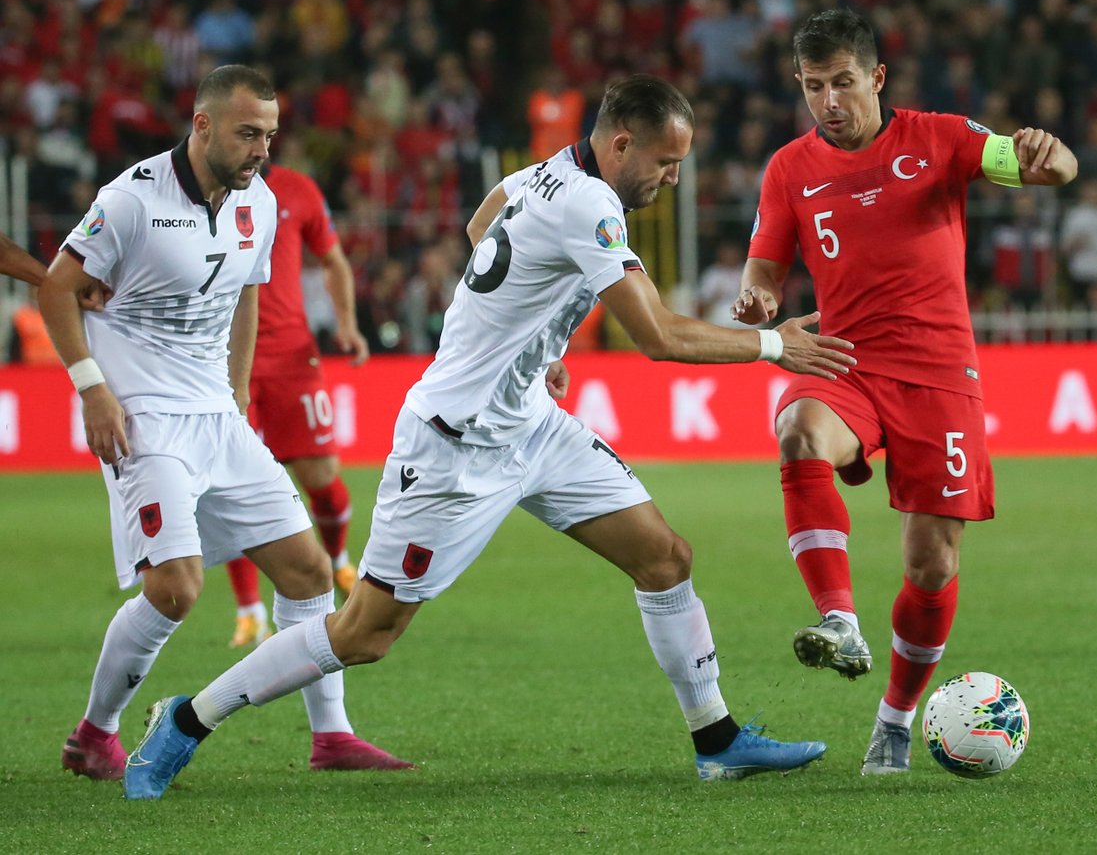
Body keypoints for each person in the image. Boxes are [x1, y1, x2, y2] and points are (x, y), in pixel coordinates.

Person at [122, 74, 858, 800]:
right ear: (622, 144)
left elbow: (484, 225)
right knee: (364, 633)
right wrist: (774, 347)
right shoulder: (588, 202)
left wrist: (537, 340)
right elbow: (658, 336)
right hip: (455, 446)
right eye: (665, 162)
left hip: (532, 426)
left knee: (665, 558)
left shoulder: (543, 173)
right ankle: (186, 719)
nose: (671, 178)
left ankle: (717, 741)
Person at [40, 64, 410, 784]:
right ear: (202, 125)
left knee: (308, 569)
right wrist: (92, 390)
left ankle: (332, 735)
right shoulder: (132, 199)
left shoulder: (260, 203)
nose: (261, 150)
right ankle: (95, 734)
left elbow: (247, 294)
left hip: (217, 413)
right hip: (144, 416)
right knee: (176, 588)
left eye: (269, 135)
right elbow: (57, 289)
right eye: (247, 134)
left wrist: (236, 392)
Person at [732, 9, 1078, 775]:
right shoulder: (789, 168)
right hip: (845, 361)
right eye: (813, 86)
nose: (829, 101)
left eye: (843, 82)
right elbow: (765, 267)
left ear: (877, 77)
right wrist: (758, 300)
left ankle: (894, 718)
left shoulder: (941, 138)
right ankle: (839, 620)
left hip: (939, 375)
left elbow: (1050, 171)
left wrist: (1050, 154)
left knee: (932, 565)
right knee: (798, 432)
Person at [225, 159, 371, 649]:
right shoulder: (199, 192)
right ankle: (248, 610)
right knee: (231, 485)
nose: (255, 144)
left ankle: (338, 560)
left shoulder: (298, 190)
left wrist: (347, 324)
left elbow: (334, 260)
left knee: (322, 476)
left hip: (291, 355)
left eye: (263, 133)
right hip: (224, 358)